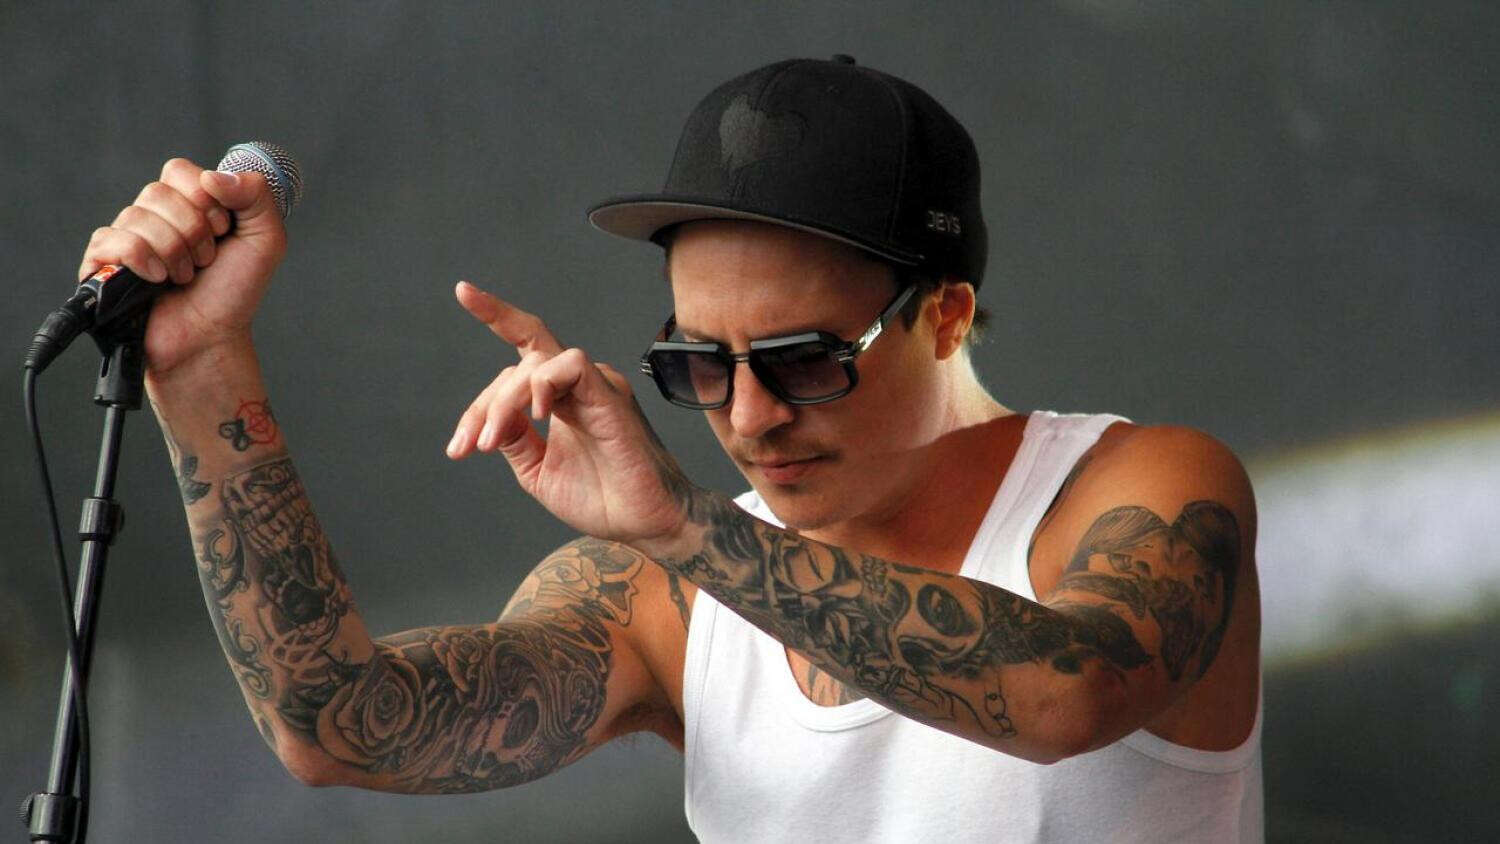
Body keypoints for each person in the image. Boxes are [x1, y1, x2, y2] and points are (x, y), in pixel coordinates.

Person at [80, 56, 1261, 841]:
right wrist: (204, 370)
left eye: (804, 359)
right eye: (698, 365)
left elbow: (1068, 691)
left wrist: (683, 526)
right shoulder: (662, 595)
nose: (747, 416)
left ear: (945, 317)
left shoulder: (1141, 484)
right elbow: (341, 722)